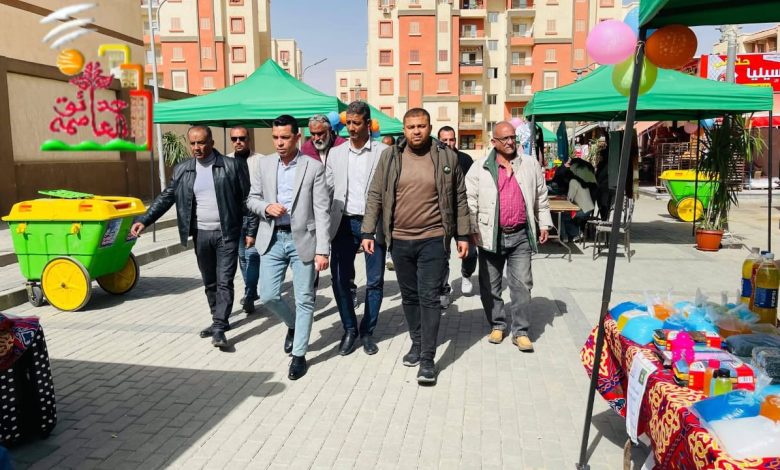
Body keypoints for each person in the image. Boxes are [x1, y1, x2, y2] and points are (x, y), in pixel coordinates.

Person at [361, 108, 470, 385]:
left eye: (421, 126)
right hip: (399, 239)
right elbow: (375, 194)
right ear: (404, 130)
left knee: (429, 297)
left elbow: (459, 197)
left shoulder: (446, 156)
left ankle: (428, 359)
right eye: (411, 127)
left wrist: (463, 235)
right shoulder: (390, 156)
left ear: (430, 127)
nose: (416, 131)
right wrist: (367, 231)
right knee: (409, 297)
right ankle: (417, 341)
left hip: (434, 238)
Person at [130, 125, 250, 349]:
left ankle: (219, 326)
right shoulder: (183, 170)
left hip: (227, 233)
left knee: (224, 281)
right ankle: (218, 319)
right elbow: (167, 197)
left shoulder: (232, 166)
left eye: (201, 142)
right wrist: (145, 219)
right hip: (200, 233)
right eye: (193, 143)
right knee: (209, 281)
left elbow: (246, 200)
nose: (197, 147)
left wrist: (250, 231)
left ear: (212, 142)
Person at [246, 115, 331, 381]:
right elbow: (252, 199)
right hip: (271, 238)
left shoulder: (313, 167)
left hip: (302, 240)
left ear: (297, 137)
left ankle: (299, 355)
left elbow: (322, 211)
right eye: (275, 137)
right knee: (268, 295)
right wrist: (266, 207)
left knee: (304, 298)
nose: (279, 143)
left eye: (284, 137)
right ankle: (293, 325)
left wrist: (323, 250)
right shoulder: (264, 164)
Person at [465, 121, 553, 352]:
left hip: (521, 235)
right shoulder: (479, 167)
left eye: (513, 137)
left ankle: (520, 331)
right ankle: (497, 324)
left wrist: (544, 223)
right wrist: (471, 228)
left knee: (522, 285)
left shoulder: (530, 164)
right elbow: (469, 200)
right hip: (490, 236)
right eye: (504, 138)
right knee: (490, 286)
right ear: (494, 142)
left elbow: (541, 196)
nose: (510, 142)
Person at [326, 101, 388, 356]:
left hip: (373, 225)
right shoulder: (336, 154)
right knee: (340, 279)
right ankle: (350, 328)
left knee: (374, 281)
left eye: (356, 123)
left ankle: (367, 332)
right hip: (342, 223)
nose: (351, 128)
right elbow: (327, 188)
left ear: (368, 123)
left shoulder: (384, 152)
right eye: (348, 123)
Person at [436, 126, 477, 305]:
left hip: (463, 214)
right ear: (438, 140)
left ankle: (466, 275)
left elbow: (474, 187)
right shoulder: (433, 159)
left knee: (471, 252)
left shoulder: (466, 159)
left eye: (451, 139)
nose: (448, 143)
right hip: (441, 217)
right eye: (444, 140)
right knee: (441, 256)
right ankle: (443, 290)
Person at [226, 126, 262, 313]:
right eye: (234, 139)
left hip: (255, 216)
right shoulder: (226, 161)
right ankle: (251, 291)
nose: (238, 142)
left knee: (252, 256)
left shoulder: (261, 161)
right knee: (242, 257)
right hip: (235, 218)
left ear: (249, 139)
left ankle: (249, 293)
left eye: (242, 138)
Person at [562, 175, 595, 243]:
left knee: (563, 217)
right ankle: (571, 234)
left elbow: (570, 198)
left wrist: (564, 197)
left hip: (583, 211)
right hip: (588, 209)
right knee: (566, 216)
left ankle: (569, 235)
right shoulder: (581, 181)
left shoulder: (573, 181)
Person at [380, 135, 396, 271]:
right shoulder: (381, 159)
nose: (385, 148)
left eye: (388, 145)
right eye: (383, 144)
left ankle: (390, 254)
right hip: (382, 204)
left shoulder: (397, 159)